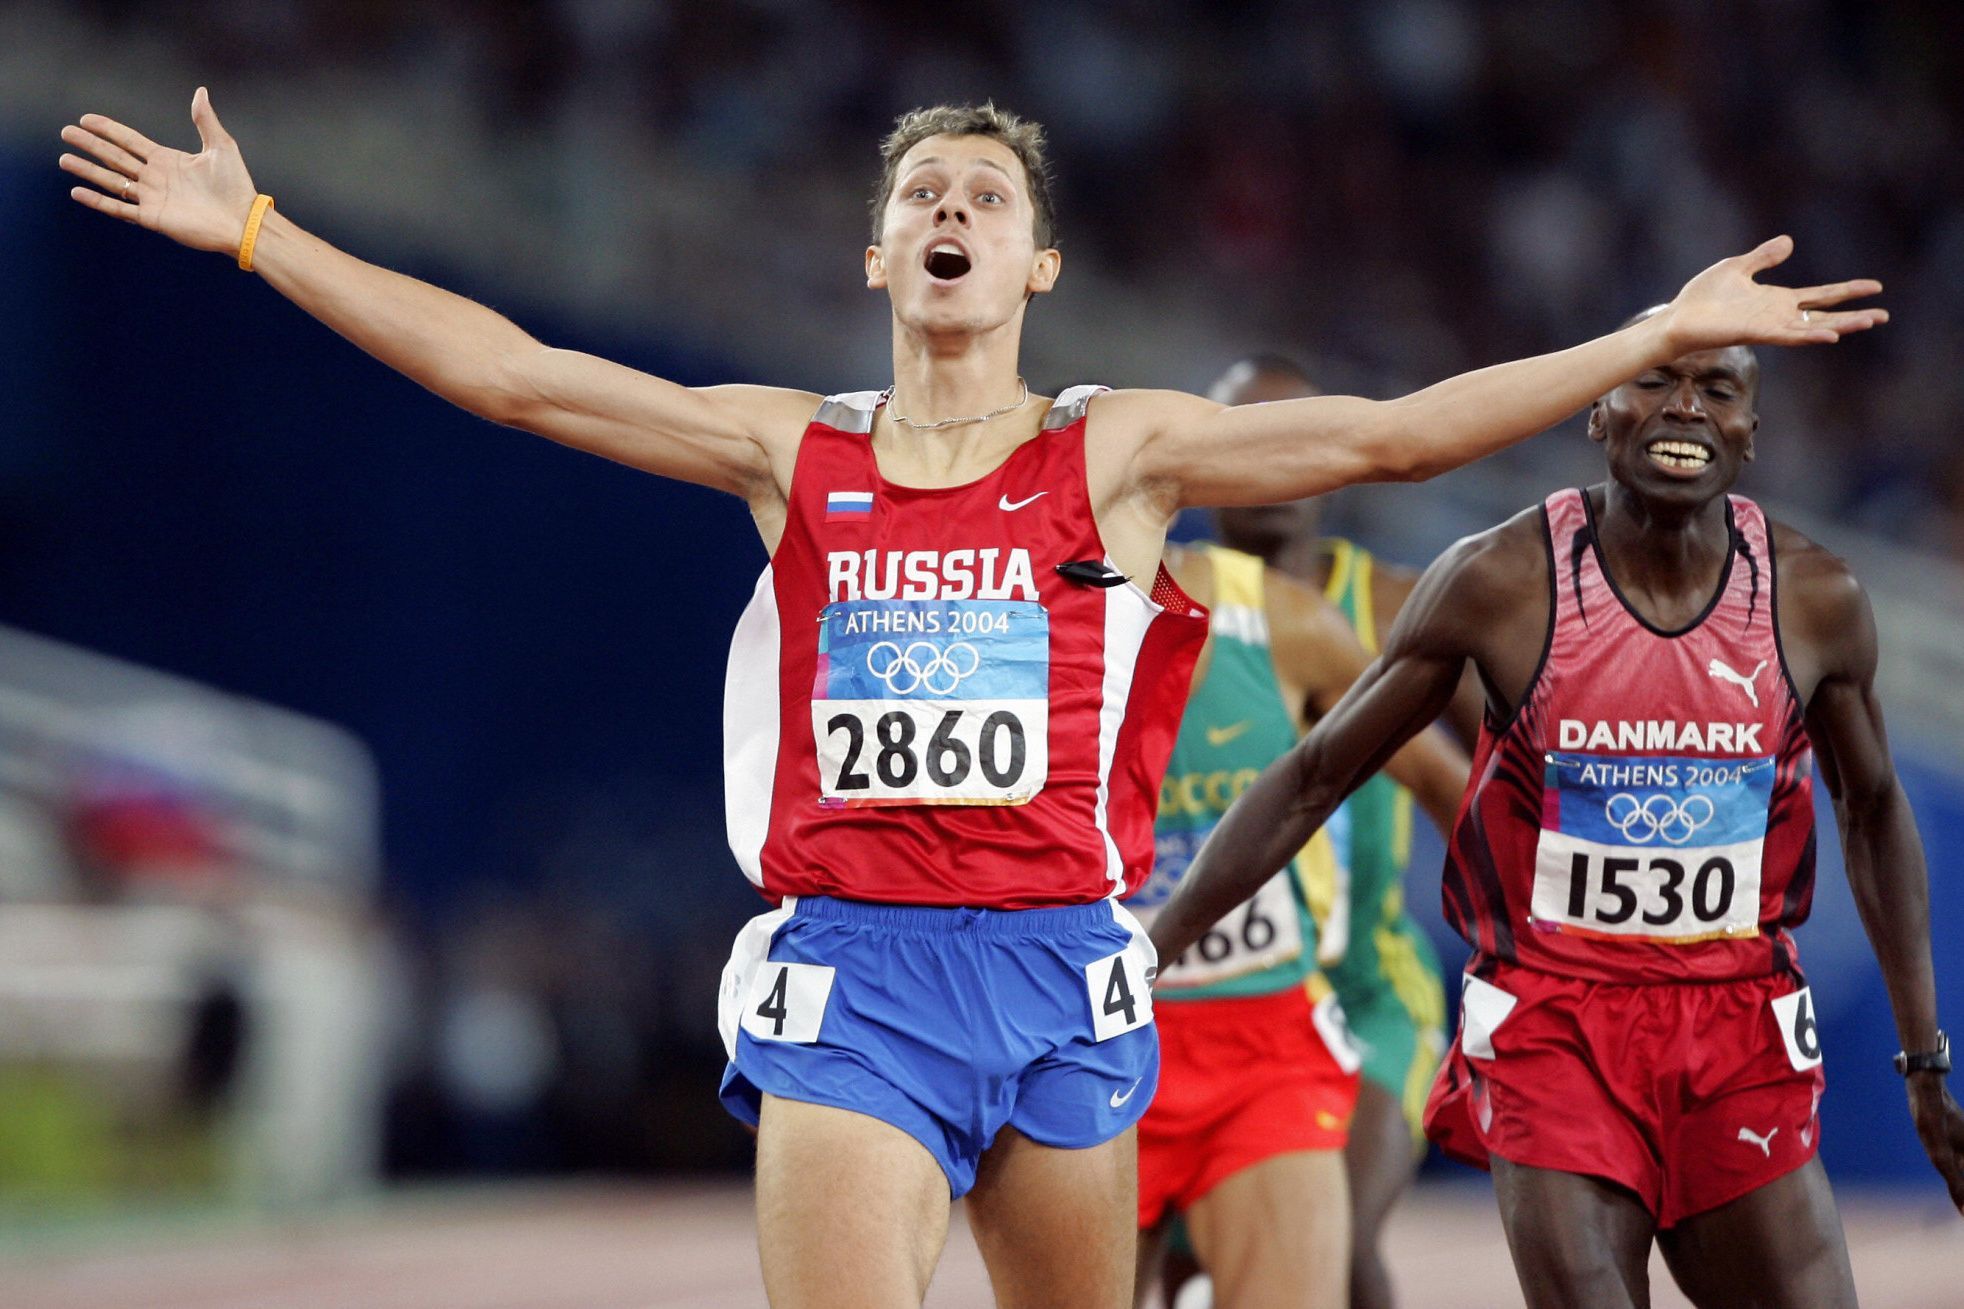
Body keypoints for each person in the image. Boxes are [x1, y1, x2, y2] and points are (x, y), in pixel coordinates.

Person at [60, 88, 1886, 1308]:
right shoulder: (794, 450)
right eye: (920, 195)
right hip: (856, 974)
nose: (951, 209)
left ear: (1036, 265)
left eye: (986, 196)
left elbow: (1395, 433)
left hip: (1059, 968)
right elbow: (518, 376)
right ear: (880, 257)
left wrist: (1647, 334)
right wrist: (262, 231)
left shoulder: (1118, 456)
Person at [1147, 320, 1964, 1308]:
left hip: (1735, 1026)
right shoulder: (1500, 582)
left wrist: (1924, 1059)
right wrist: (1153, 948)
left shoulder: (1814, 598)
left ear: (1750, 431)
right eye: (1652, 381)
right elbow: (1316, 773)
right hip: (1553, 1023)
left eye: (1716, 391)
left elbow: (1871, 807)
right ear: (1597, 409)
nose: (1683, 409)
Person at [1128, 538, 1468, 1309]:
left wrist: (1527, 946)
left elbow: (1446, 777)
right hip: (1104, 1039)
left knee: (1343, 1250)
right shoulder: (1022, 622)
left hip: (1287, 1023)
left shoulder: (1297, 619)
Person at [1207, 355, 1469, 1309]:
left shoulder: (1401, 605)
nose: (1277, 461)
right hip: (1207, 1002)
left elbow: (1491, 778)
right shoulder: (1163, 604)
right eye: (1249, 439)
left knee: (1339, 1244)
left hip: (1368, 991)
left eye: (1297, 436)